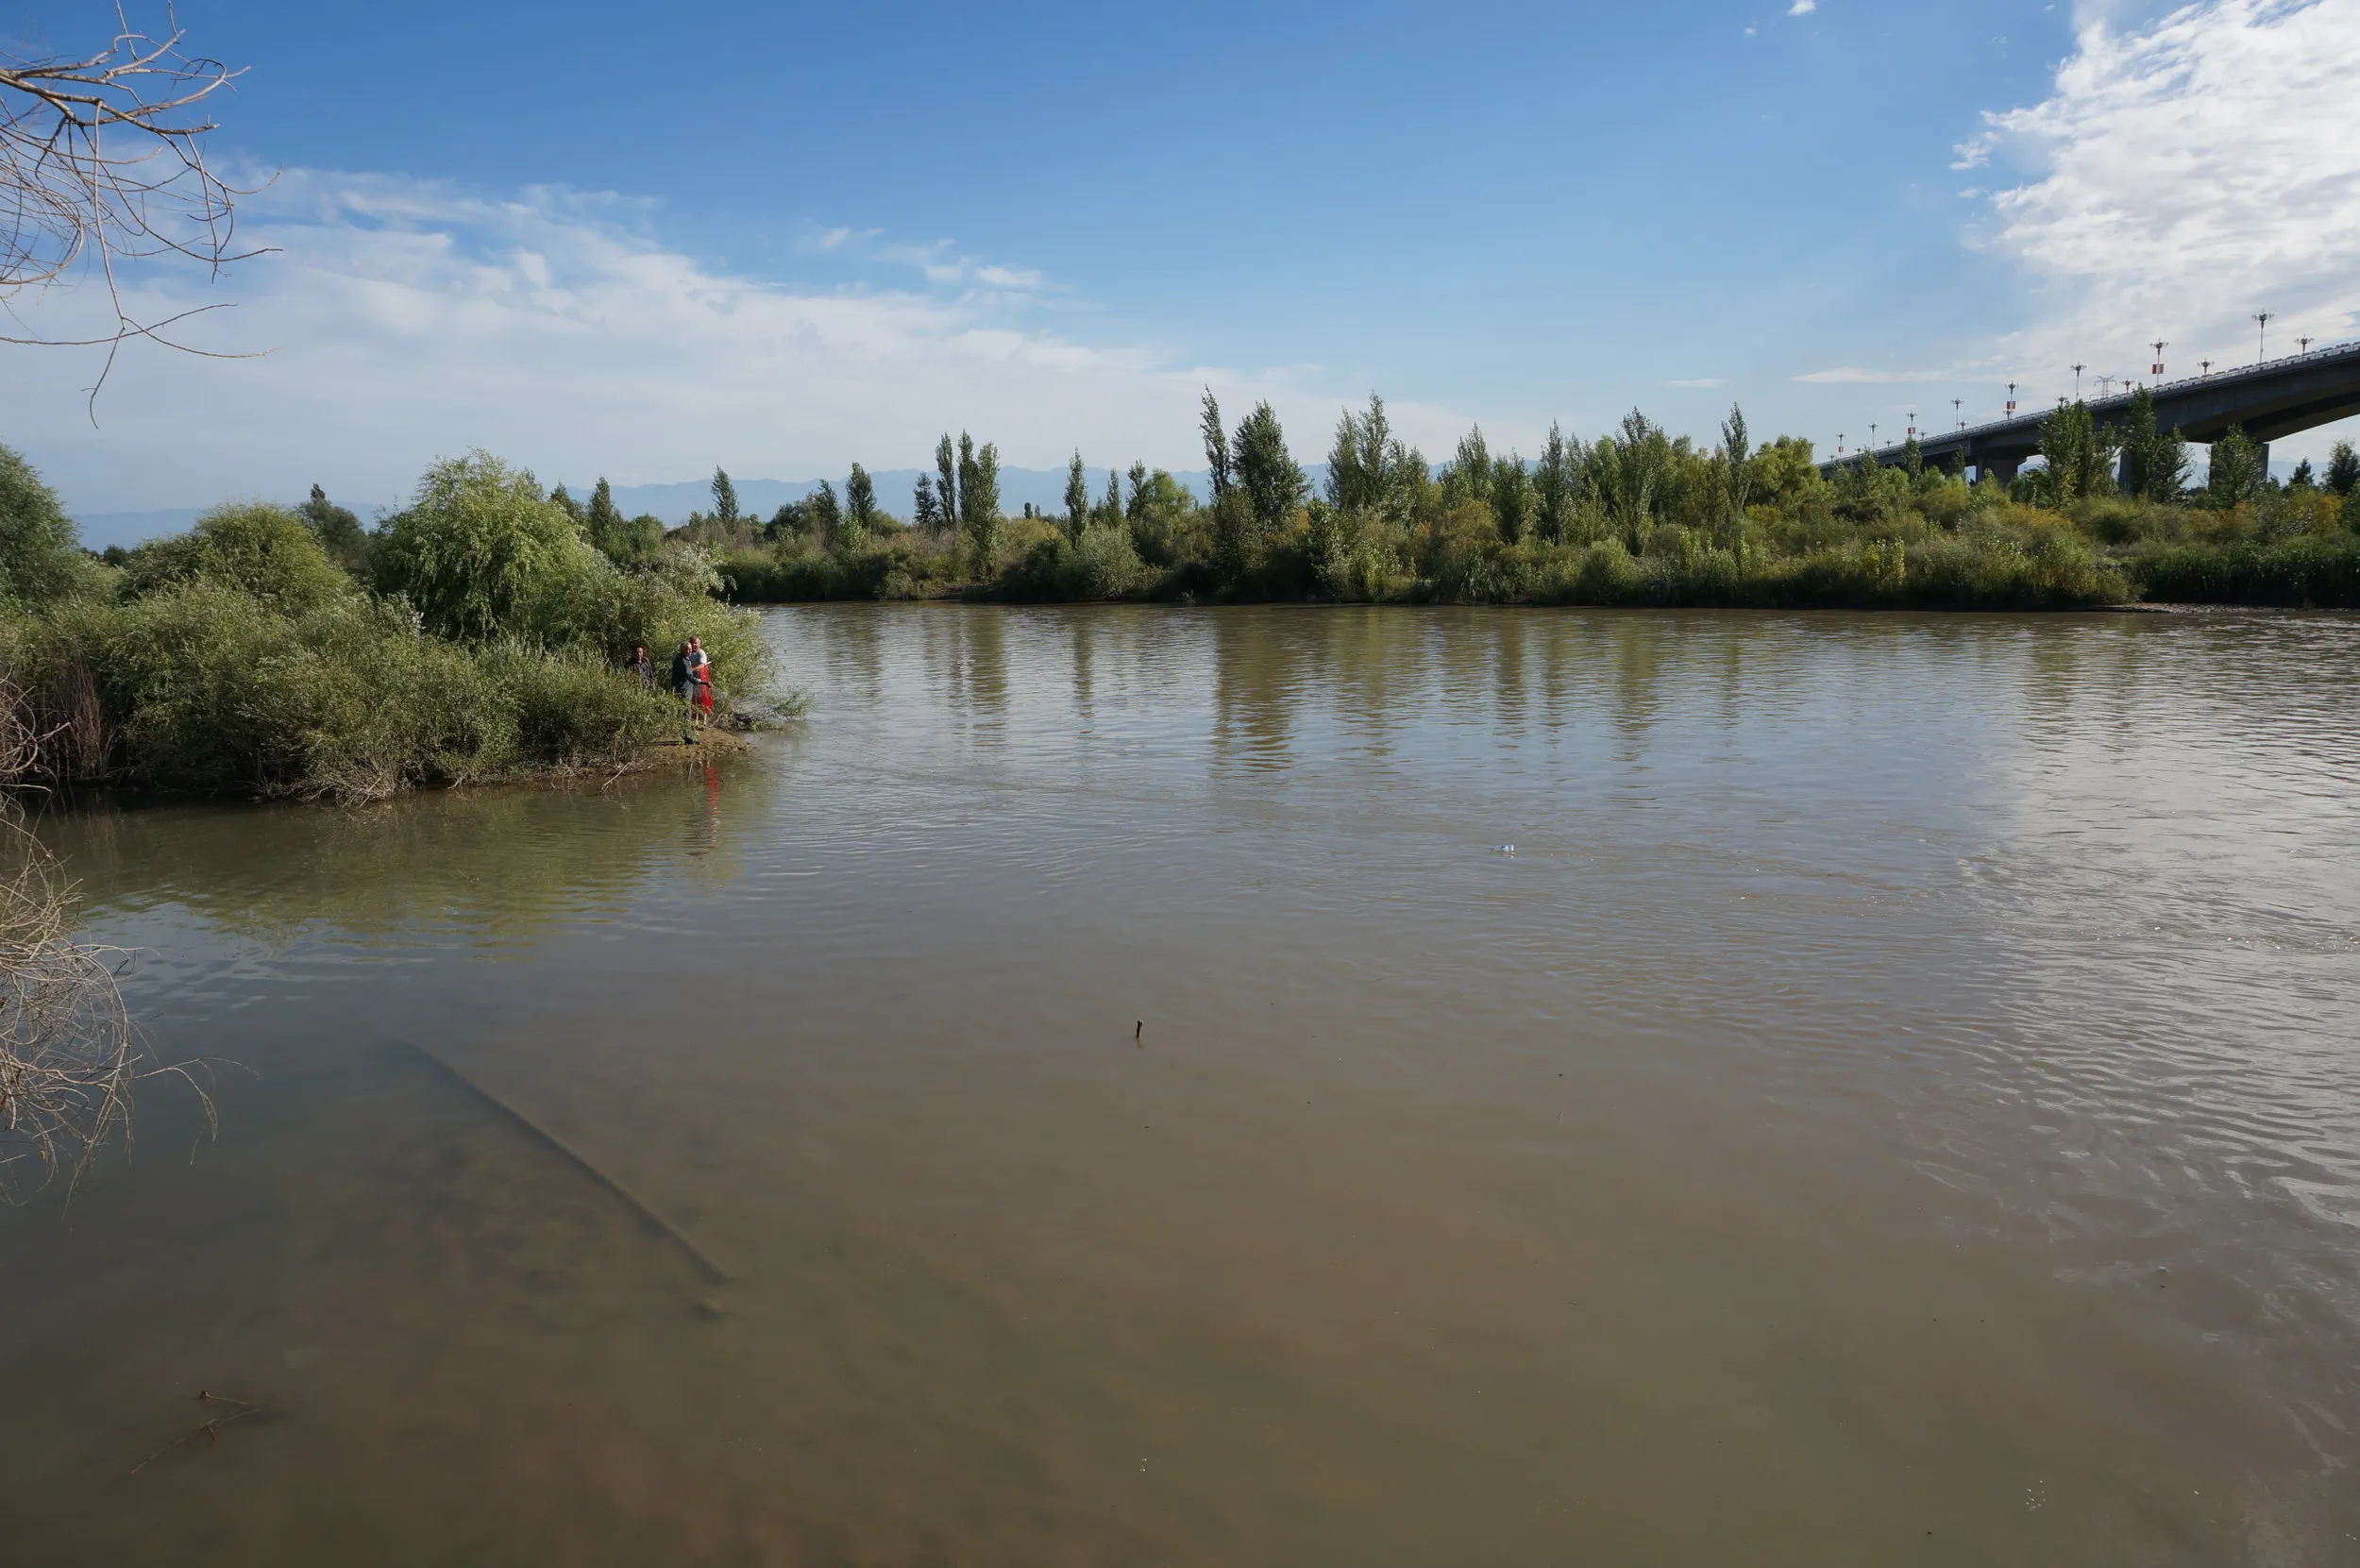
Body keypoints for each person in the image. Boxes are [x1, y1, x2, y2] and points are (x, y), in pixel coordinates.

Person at [670, 641, 697, 736]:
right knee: (686, 713)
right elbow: (689, 676)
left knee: (682, 712)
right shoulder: (683, 661)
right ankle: (687, 736)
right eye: (688, 649)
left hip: (680, 689)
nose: (690, 651)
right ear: (683, 650)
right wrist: (702, 682)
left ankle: (684, 735)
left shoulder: (678, 658)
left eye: (690, 649)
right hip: (684, 690)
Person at [691, 636, 716, 720]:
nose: (694, 644)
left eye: (695, 643)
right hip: (691, 678)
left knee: (703, 698)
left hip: (701, 678)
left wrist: (691, 669)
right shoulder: (688, 652)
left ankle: (704, 721)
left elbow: (702, 665)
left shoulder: (701, 653)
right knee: (693, 698)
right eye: (692, 643)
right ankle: (695, 719)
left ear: (699, 644)